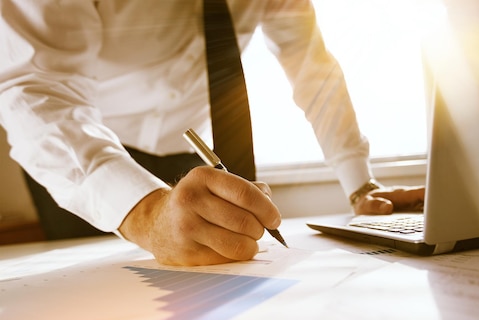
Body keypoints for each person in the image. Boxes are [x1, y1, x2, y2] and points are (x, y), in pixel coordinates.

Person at [0, 0, 424, 266]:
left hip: (193, 158)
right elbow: (33, 89)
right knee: (93, 304)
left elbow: (314, 72)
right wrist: (143, 211)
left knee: (217, 285)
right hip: (85, 160)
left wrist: (360, 184)